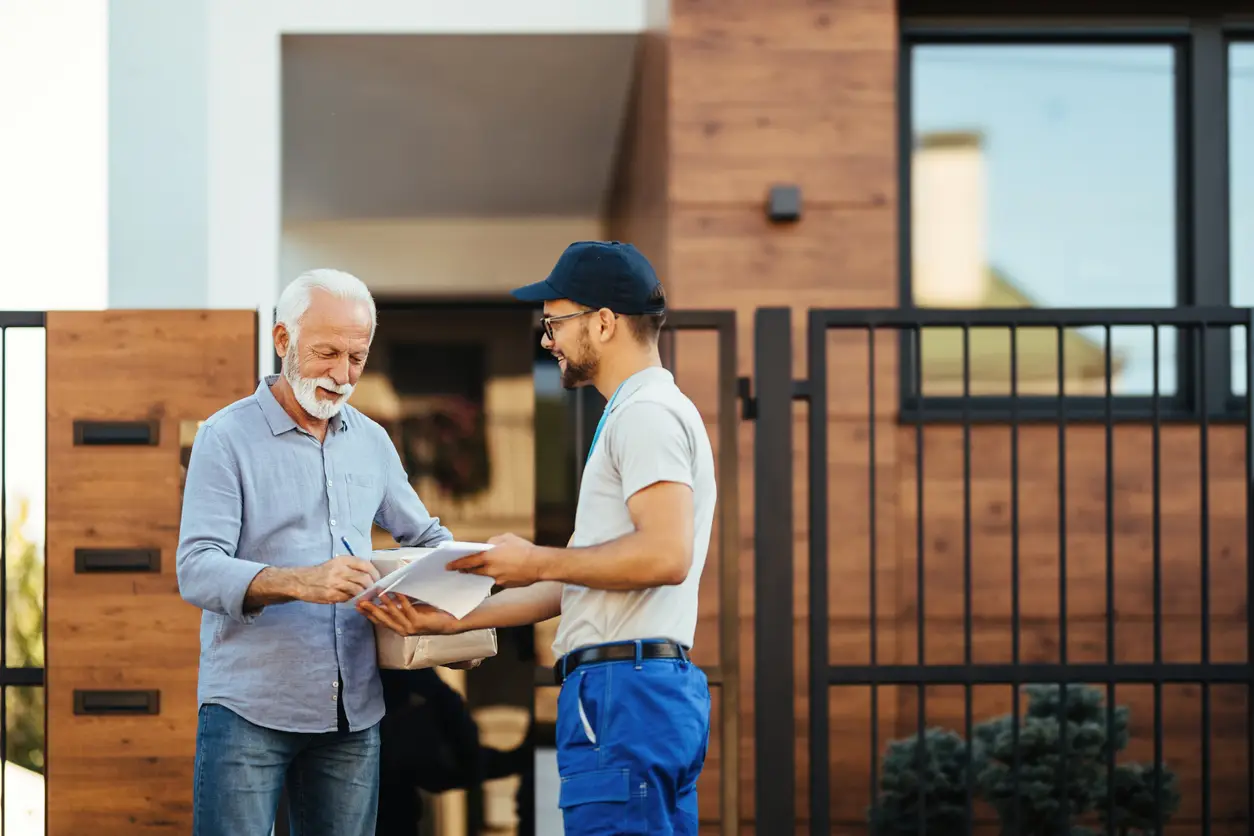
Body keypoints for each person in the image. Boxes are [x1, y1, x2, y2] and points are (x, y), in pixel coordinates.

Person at [359, 241, 716, 835]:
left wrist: (530, 559)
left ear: (604, 323)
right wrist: (453, 621)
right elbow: (577, 581)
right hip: (638, 693)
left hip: (621, 695)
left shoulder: (646, 415)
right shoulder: (642, 411)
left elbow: (664, 555)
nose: (547, 339)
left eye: (555, 321)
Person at [176, 268, 456, 836]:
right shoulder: (224, 437)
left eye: (356, 358)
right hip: (248, 710)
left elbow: (428, 540)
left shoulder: (374, 441)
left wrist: (462, 612)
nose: (342, 374)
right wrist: (301, 582)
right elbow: (197, 568)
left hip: (354, 713)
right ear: (283, 341)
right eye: (326, 353)